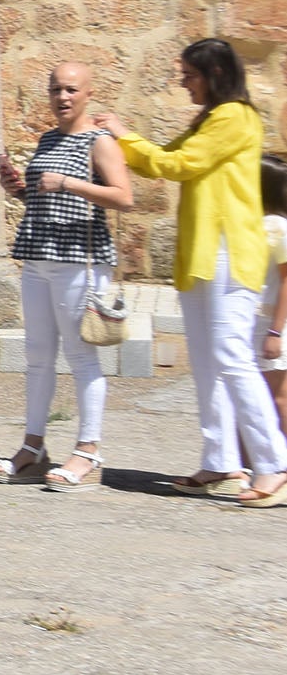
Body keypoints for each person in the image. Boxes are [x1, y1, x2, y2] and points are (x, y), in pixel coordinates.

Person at [101, 38, 287, 505]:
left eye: (190, 75)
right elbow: (158, 160)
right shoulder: (208, 118)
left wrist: (122, 133)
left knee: (231, 356)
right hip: (201, 254)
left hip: (230, 251)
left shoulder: (236, 117)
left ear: (215, 75)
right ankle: (221, 459)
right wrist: (120, 142)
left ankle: (273, 463)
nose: (183, 83)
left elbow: (180, 164)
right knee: (206, 362)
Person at [0, 63, 133, 490]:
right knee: (37, 354)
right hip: (37, 256)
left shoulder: (100, 140)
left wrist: (68, 182)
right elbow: (43, 193)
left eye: (71, 89)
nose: (62, 97)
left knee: (81, 355)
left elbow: (124, 197)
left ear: (88, 93)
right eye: (56, 89)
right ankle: (33, 447)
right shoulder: (48, 138)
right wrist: (19, 187)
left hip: (79, 260)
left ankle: (88, 450)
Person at [259, 156, 287, 439]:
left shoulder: (279, 227)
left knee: (279, 397)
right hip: (254, 322)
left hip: (270, 322)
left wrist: (275, 331)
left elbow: (286, 280)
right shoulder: (256, 222)